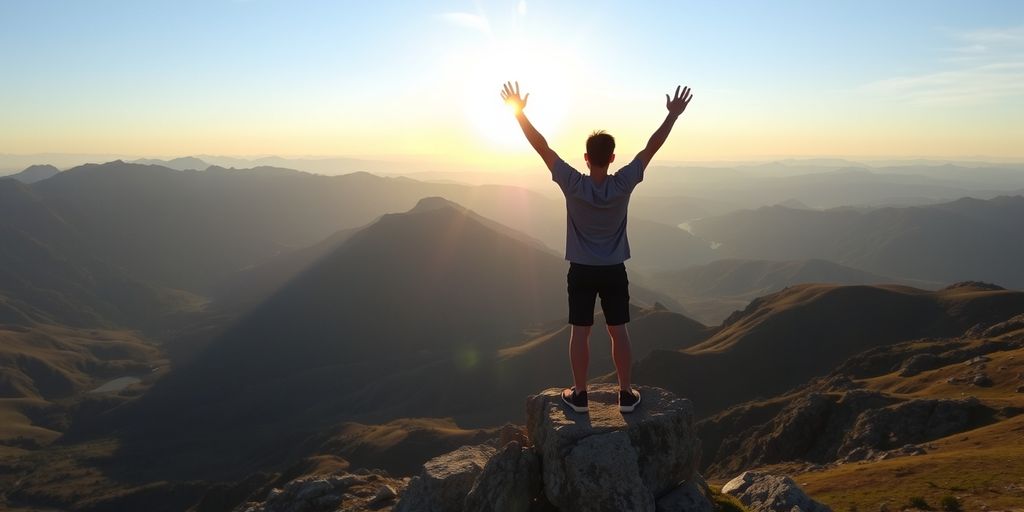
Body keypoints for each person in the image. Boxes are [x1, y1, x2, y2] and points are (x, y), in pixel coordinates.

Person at [501, 80, 693, 414]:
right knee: (619, 331)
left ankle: (579, 395)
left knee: (580, 332)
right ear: (613, 157)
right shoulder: (623, 183)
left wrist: (519, 114)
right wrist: (672, 116)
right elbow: (651, 148)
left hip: (581, 270)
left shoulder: (573, 184)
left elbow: (542, 147)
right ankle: (625, 393)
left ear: (587, 158)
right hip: (614, 270)